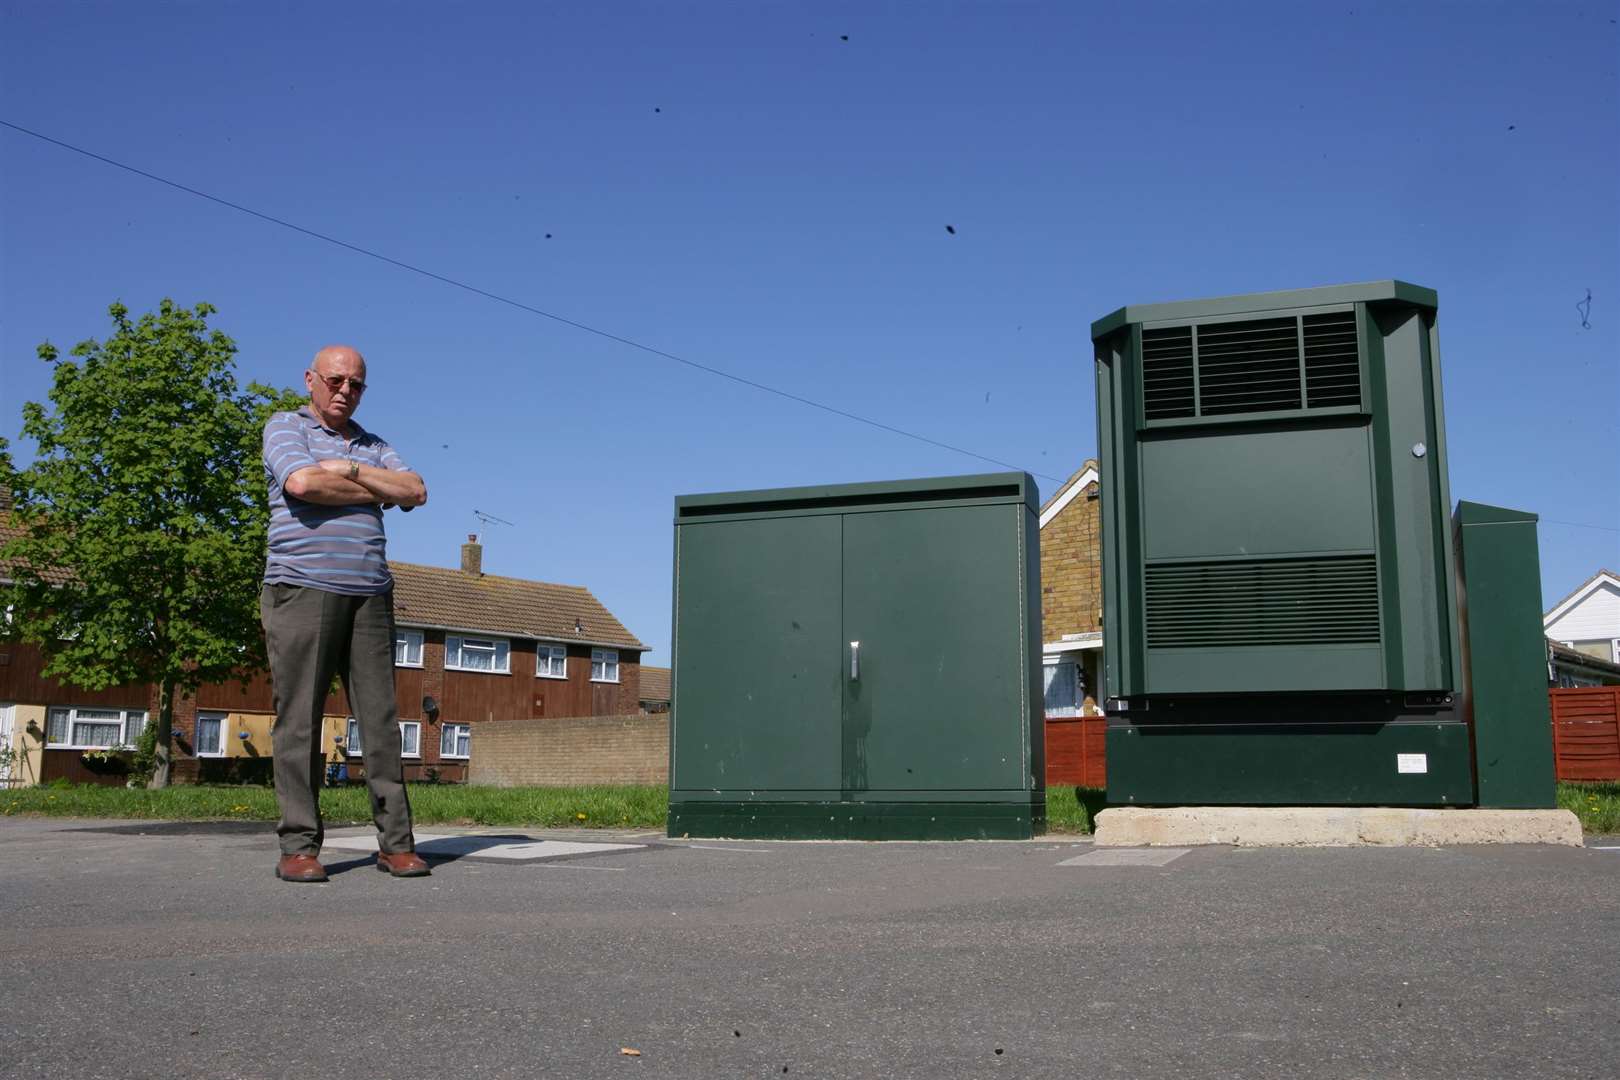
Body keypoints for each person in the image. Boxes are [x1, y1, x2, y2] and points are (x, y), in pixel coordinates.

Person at [260, 345, 430, 883]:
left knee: (380, 722)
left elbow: (416, 490)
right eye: (335, 380)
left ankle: (396, 844)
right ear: (311, 379)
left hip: (371, 595)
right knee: (300, 721)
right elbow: (303, 483)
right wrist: (370, 486)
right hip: (302, 589)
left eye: (356, 384)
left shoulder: (372, 443)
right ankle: (300, 846)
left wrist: (350, 467)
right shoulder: (285, 426)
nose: (344, 391)